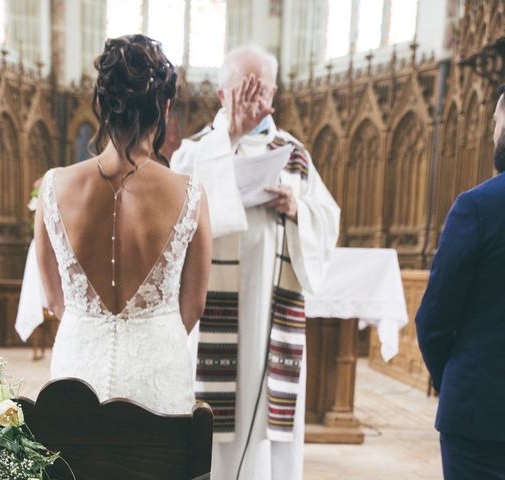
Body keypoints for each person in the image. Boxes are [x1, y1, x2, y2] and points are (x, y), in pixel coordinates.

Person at [171, 45, 340, 480]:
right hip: (214, 317)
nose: (252, 101)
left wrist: (298, 206)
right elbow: (178, 201)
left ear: (275, 93)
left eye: (259, 89)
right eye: (243, 89)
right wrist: (228, 139)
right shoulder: (197, 150)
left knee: (267, 422)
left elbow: (329, 218)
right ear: (223, 94)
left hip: (271, 313)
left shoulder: (294, 153)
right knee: (215, 417)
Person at [34, 34, 212, 415]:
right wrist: (151, 336)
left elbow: (52, 299)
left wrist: (91, 327)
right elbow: (194, 305)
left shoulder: (54, 186)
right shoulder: (191, 192)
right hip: (158, 375)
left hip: (76, 371)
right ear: (165, 109)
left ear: (100, 104)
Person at [415, 85, 505, 479]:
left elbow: (433, 321)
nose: (492, 129)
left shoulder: (477, 207)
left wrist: (453, 375)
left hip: (479, 412)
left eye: (497, 119)